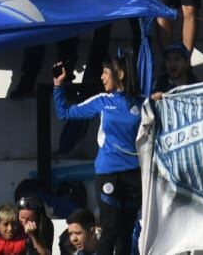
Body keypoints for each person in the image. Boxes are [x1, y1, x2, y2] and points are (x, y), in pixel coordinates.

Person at [52, 54, 142, 255]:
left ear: (120, 74)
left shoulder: (142, 103)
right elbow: (65, 113)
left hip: (135, 175)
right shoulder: (102, 101)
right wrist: (58, 85)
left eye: (105, 72)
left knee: (126, 232)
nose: (101, 77)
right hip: (108, 173)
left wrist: (158, 100)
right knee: (110, 228)